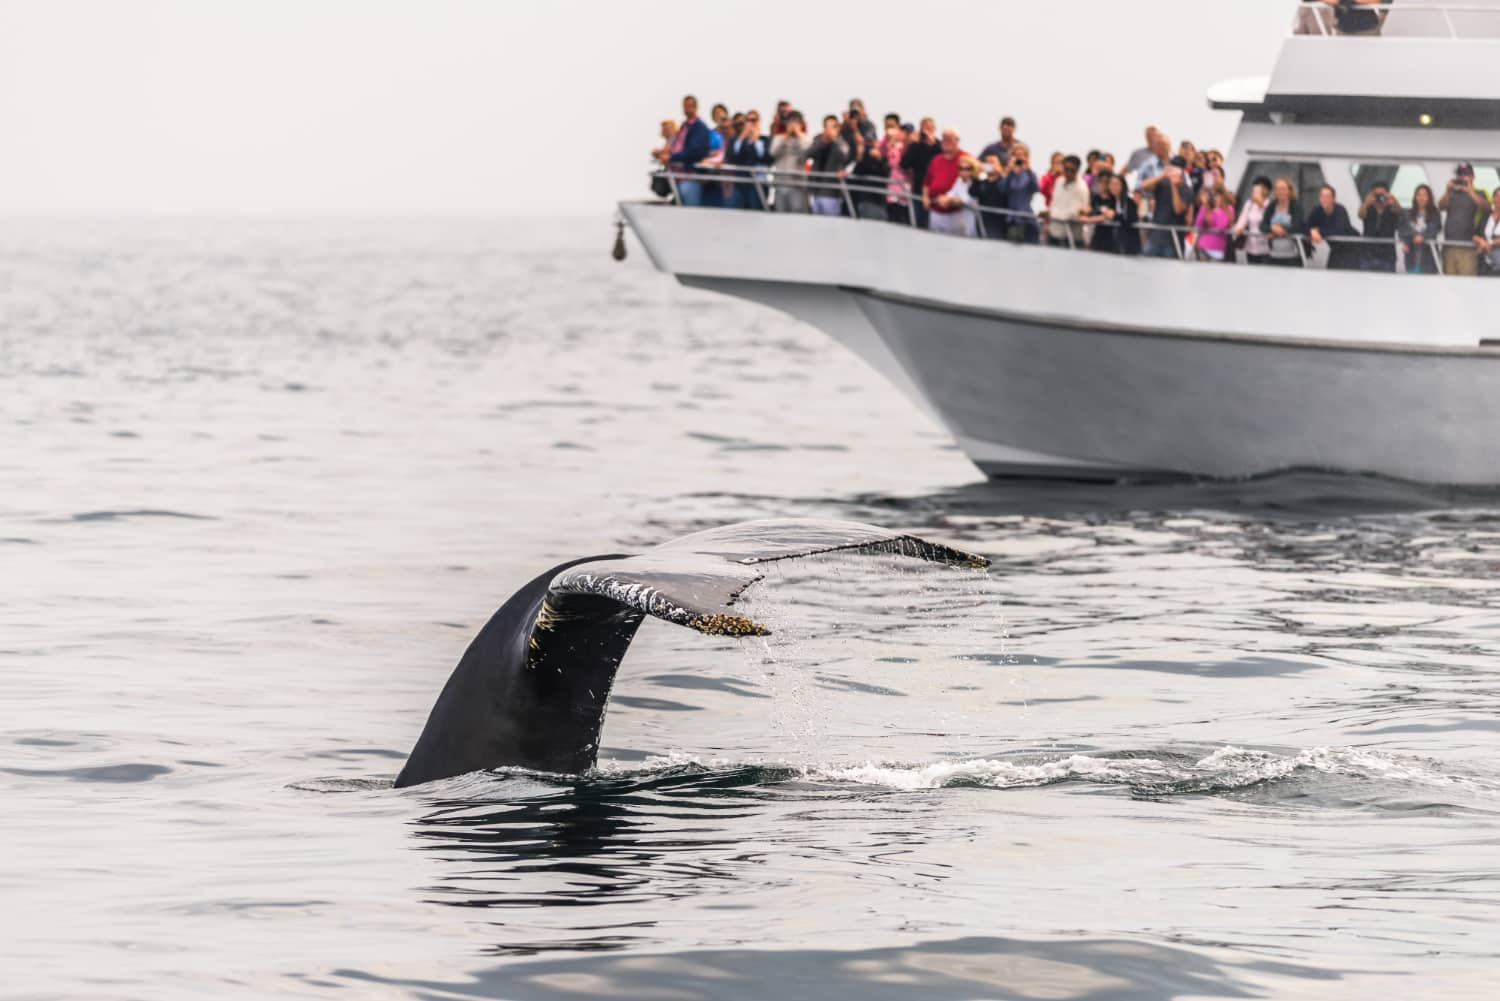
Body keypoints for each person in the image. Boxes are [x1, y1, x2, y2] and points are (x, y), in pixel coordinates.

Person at [659, 94, 712, 207]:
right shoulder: (684, 126)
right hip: (678, 177)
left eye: (689, 106)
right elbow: (678, 145)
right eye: (685, 106)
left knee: (691, 209)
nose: (686, 109)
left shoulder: (699, 127)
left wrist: (671, 157)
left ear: (695, 107)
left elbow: (696, 152)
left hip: (690, 177)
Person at [1439, 163, 1491, 277]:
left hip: (1468, 247)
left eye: (1466, 174)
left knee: (1467, 283)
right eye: (1460, 174)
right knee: (1449, 284)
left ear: (1473, 176)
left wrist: (1470, 191)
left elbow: (1486, 208)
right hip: (1449, 245)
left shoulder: (1479, 193)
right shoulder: (1451, 193)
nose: (1462, 177)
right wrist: (1447, 191)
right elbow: (1441, 206)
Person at [1141, 146, 1193, 259]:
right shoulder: (1162, 183)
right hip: (1154, 237)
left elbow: (1178, 209)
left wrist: (1174, 186)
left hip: (1173, 241)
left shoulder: (1186, 189)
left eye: (1176, 168)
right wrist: (1163, 175)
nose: (1173, 170)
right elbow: (1144, 186)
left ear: (1182, 171)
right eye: (1171, 167)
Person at [1080, 172, 1140, 255]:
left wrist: (1114, 215)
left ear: (1122, 186)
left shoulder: (1128, 202)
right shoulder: (1112, 201)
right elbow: (1100, 211)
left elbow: (1129, 219)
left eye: (1116, 184)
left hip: (1127, 244)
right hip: (1113, 242)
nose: (1113, 187)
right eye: (1111, 184)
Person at [923, 129, 971, 232]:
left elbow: (967, 190)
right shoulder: (936, 160)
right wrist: (925, 197)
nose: (946, 142)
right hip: (935, 210)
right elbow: (927, 182)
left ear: (957, 140)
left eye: (949, 139)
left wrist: (950, 200)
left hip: (956, 213)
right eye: (944, 139)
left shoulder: (965, 159)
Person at [1306, 184, 1359, 270]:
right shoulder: (1317, 210)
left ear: (1333, 199)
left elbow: (1338, 231)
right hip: (1336, 248)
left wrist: (1318, 230)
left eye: (1327, 196)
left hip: (1351, 248)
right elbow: (1306, 225)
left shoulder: (1340, 210)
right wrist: (1311, 231)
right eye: (1322, 196)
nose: (1324, 199)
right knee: (1331, 275)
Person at [726, 111, 772, 209]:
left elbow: (766, 158)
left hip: (758, 183)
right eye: (747, 120)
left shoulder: (765, 140)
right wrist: (742, 137)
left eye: (753, 120)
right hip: (740, 183)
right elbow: (732, 157)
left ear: (759, 122)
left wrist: (755, 140)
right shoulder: (736, 140)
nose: (750, 123)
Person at [899, 118, 940, 228]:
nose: (927, 131)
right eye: (924, 128)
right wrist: (915, 144)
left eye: (929, 128)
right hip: (917, 191)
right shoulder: (916, 145)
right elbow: (904, 164)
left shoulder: (939, 146)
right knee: (918, 224)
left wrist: (933, 144)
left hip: (934, 195)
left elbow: (941, 158)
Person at [809, 114, 852, 216]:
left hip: (832, 193)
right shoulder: (818, 139)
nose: (828, 130)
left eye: (832, 127)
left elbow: (845, 156)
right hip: (815, 189)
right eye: (826, 127)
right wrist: (823, 142)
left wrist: (834, 140)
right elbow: (808, 154)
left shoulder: (842, 142)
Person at [769, 111, 812, 214]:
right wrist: (786, 137)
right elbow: (773, 153)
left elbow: (808, 154)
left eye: (796, 122)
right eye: (790, 122)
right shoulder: (778, 138)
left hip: (798, 185)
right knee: (780, 214)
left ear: (801, 124)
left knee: (797, 215)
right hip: (781, 184)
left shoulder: (806, 139)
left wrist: (798, 135)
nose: (792, 125)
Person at [998, 144, 1041, 243]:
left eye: (1022, 155)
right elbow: (1002, 189)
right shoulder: (1010, 174)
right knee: (1014, 246)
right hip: (1013, 219)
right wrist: (1009, 170)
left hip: (1028, 218)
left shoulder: (1029, 174)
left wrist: (1028, 169)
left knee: (1031, 246)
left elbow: (1036, 188)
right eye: (1016, 155)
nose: (1019, 158)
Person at [1044, 155, 1090, 248]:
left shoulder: (1081, 188)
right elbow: (1053, 203)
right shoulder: (1059, 181)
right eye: (1066, 169)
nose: (1068, 172)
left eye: (1072, 170)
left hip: (1071, 238)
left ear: (1077, 170)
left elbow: (1073, 214)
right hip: (1054, 234)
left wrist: (1051, 214)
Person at [846, 130, 892, 221]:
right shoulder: (863, 157)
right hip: (866, 200)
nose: (869, 145)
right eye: (867, 142)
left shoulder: (883, 157)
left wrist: (879, 159)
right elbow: (857, 173)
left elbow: (887, 173)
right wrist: (860, 157)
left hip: (880, 201)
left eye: (871, 141)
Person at [929, 156, 980, 237]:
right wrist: (943, 198)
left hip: (974, 220)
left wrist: (948, 200)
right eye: (961, 168)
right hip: (962, 220)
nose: (964, 171)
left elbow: (966, 200)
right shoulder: (959, 180)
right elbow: (952, 193)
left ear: (973, 170)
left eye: (967, 168)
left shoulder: (976, 183)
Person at [1356, 181, 1401, 272]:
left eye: (1382, 195)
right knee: (1366, 283)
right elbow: (1360, 215)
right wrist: (1366, 203)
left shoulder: (1391, 208)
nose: (1380, 197)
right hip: (1368, 254)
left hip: (1387, 255)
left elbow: (1400, 214)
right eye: (1377, 195)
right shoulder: (1368, 208)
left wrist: (1394, 201)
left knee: (1387, 284)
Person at [1260, 176, 1305, 267]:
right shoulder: (1272, 205)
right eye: (1278, 189)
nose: (1280, 192)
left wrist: (1277, 231)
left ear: (1289, 190)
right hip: (1273, 255)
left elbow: (1297, 226)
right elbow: (1262, 225)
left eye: (1283, 189)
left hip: (1292, 257)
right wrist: (1272, 228)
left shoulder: (1296, 206)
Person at [1399, 184, 1441, 274]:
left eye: (1425, 195)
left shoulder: (1435, 214)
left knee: (1427, 285)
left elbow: (1434, 230)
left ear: (1429, 197)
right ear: (1415, 197)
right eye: (1419, 195)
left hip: (1428, 257)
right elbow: (1402, 230)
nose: (1421, 198)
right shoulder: (1408, 214)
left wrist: (1423, 237)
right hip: (1411, 256)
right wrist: (1408, 240)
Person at [969, 154, 1012, 240]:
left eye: (992, 162)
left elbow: (1006, 191)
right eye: (987, 162)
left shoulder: (1004, 182)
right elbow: (972, 192)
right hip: (983, 222)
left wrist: (1000, 173)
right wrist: (977, 175)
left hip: (999, 224)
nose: (989, 165)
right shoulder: (982, 183)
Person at [1233, 176, 1274, 265]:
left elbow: (1270, 220)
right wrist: (1239, 228)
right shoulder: (1249, 204)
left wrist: (1260, 204)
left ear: (1268, 190)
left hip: (1265, 247)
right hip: (1251, 246)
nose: (1259, 191)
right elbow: (1242, 220)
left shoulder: (1270, 204)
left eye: (1263, 188)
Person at [879, 119, 912, 223]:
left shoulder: (909, 148)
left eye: (907, 133)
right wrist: (890, 141)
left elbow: (904, 165)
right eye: (903, 131)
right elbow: (881, 151)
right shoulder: (893, 146)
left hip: (905, 194)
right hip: (892, 193)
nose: (904, 134)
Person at [1193, 185, 1236, 262]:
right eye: (1212, 195)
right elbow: (1198, 225)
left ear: (1222, 196)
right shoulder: (1206, 208)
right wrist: (1204, 206)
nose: (1214, 198)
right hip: (1203, 247)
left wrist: (1216, 211)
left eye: (1216, 195)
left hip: (1218, 249)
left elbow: (1222, 226)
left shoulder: (1229, 209)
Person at [1476, 199, 1500, 275]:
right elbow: (1474, 233)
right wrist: (1480, 241)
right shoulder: (1486, 216)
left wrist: (1490, 243)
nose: (1499, 199)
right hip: (1485, 262)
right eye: (1497, 196)